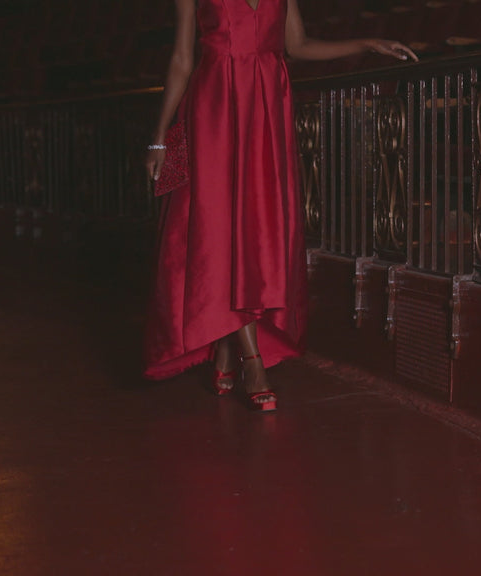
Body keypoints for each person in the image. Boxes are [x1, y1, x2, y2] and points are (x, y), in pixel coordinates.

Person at [143, 0, 417, 411]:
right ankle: (252, 362)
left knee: (255, 231)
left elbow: (298, 45)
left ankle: (225, 345)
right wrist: (159, 137)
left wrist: (368, 43)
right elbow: (183, 59)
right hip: (213, 115)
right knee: (219, 232)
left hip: (266, 114)